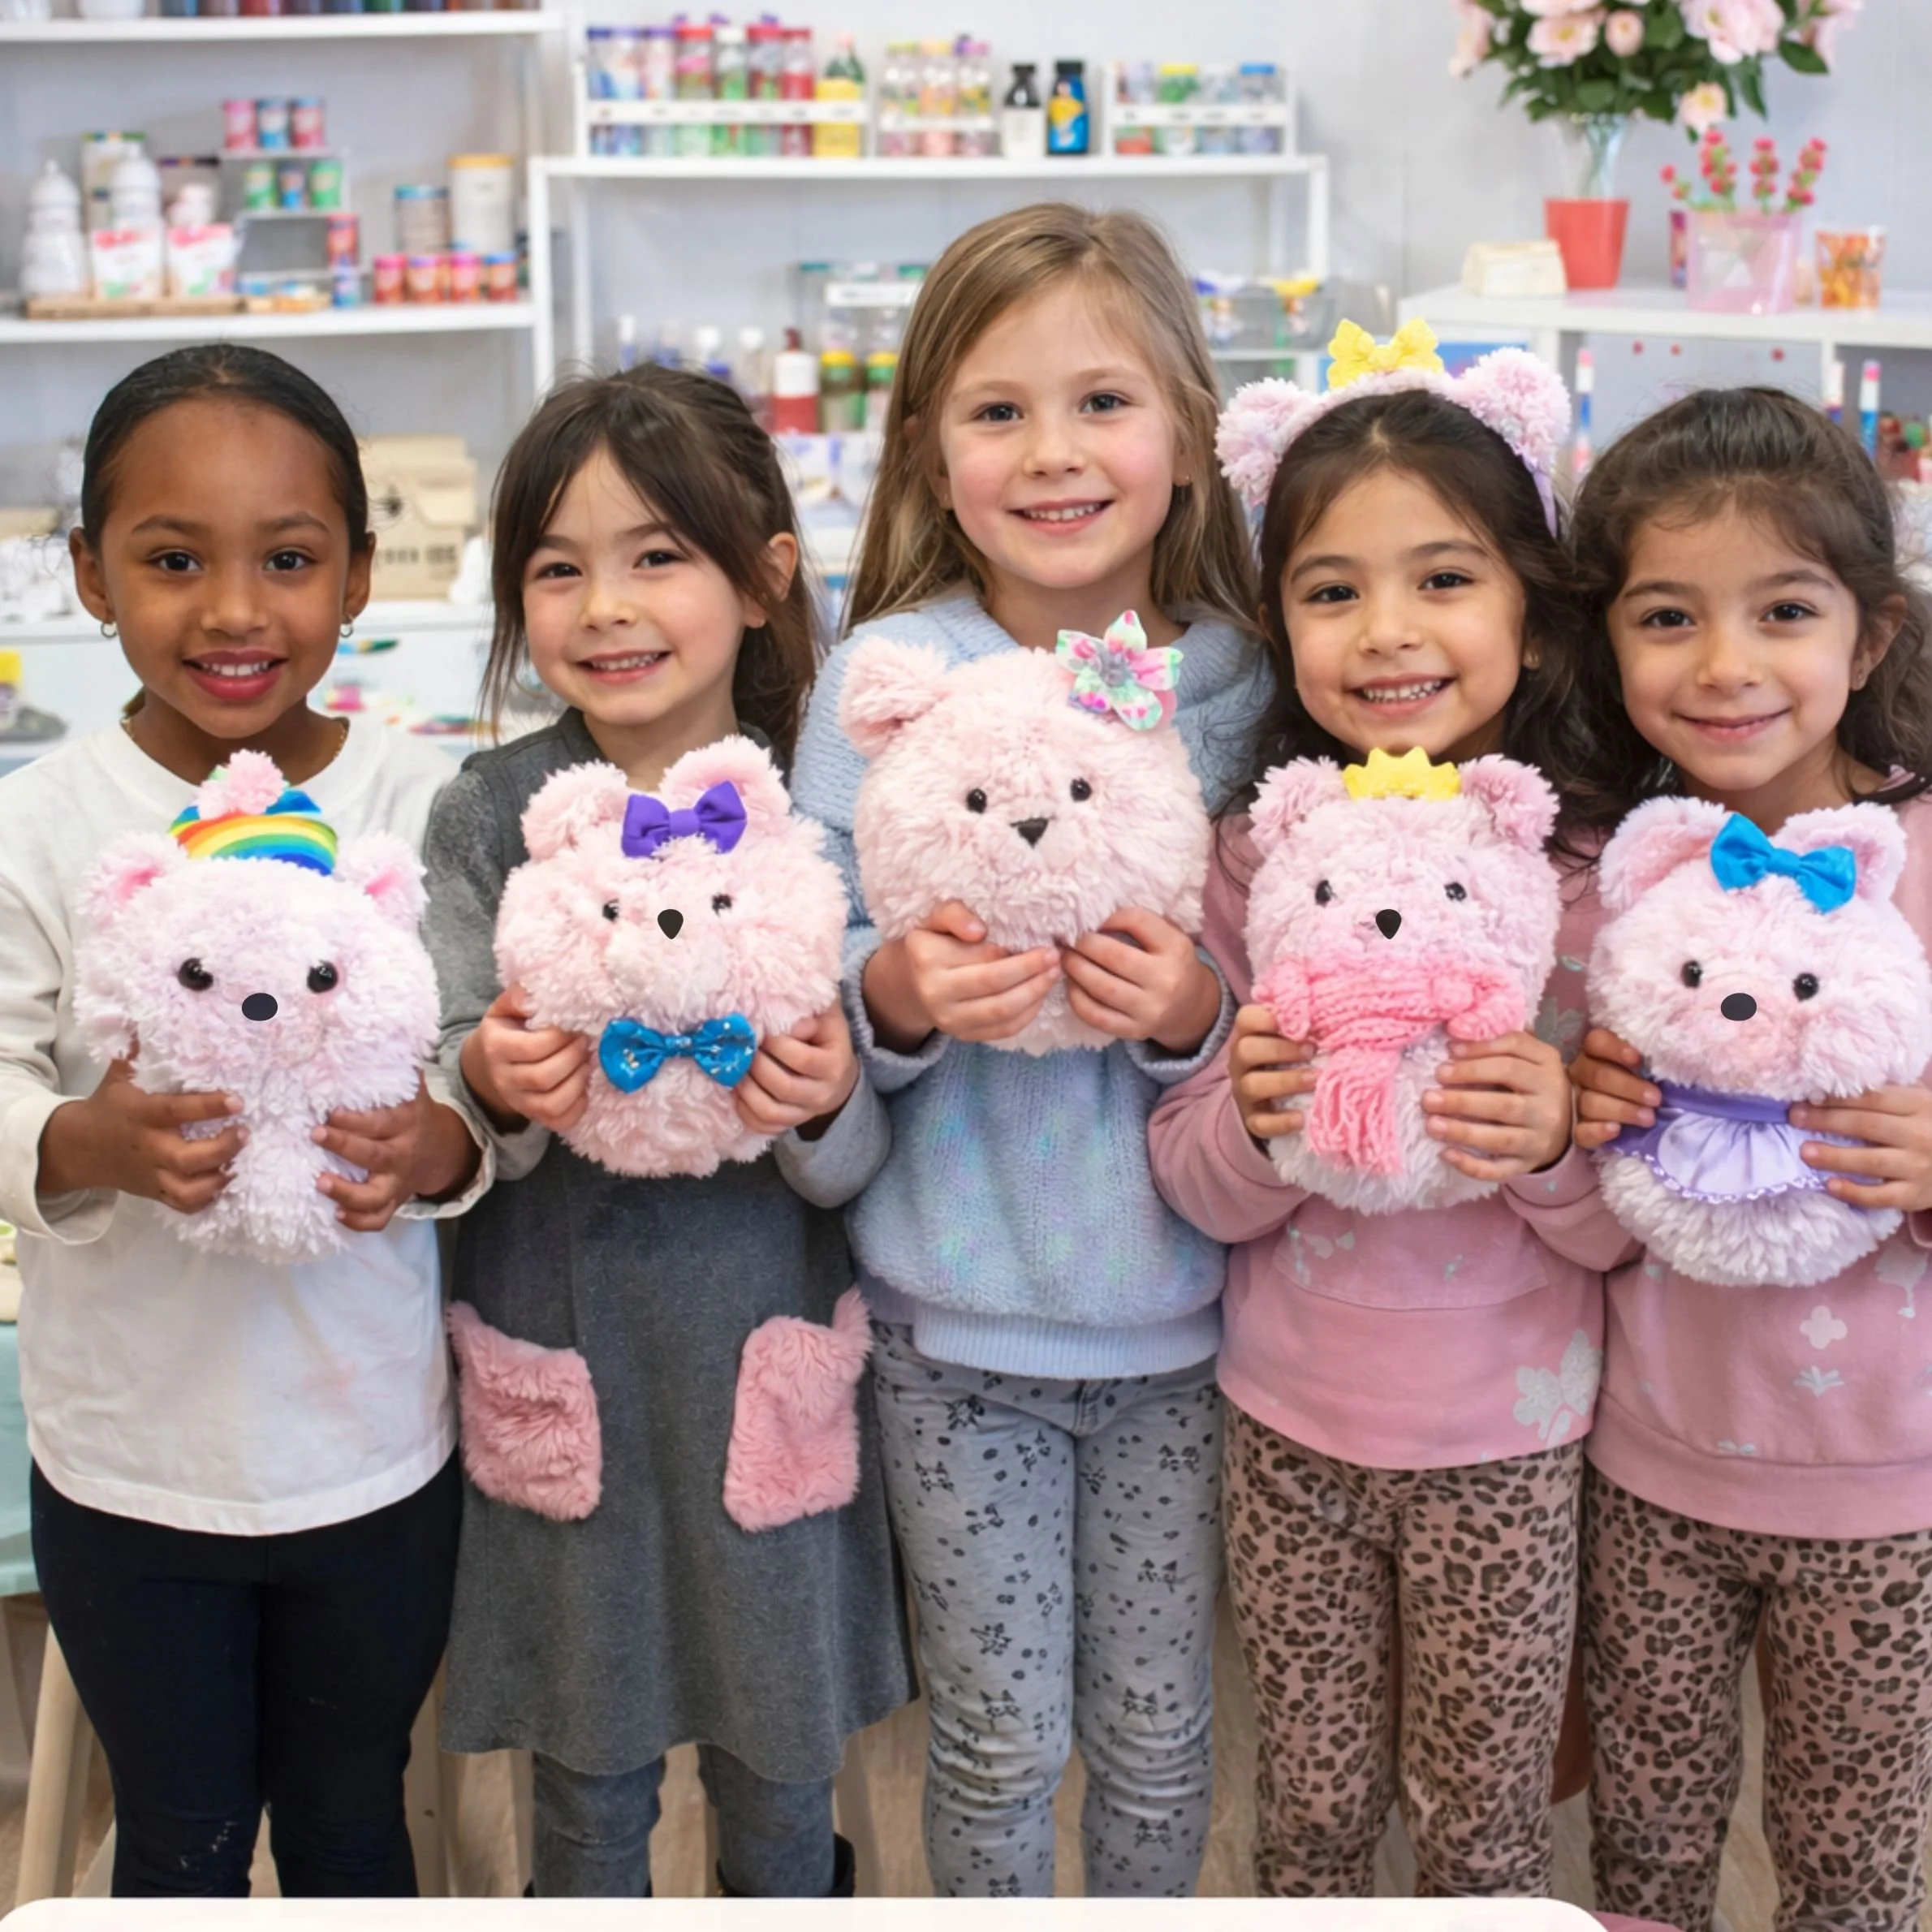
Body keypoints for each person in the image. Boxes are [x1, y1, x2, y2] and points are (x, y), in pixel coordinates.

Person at [791, 201, 1267, 1897]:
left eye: (1100, 402)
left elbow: (1290, 975)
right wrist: (898, 994)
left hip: (1182, 1331)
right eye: (997, 410)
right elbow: (812, 942)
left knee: (1156, 1731)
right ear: (927, 449)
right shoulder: (883, 679)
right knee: (990, 1733)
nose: (1051, 453)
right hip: (947, 1323)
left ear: (1192, 439)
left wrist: (1190, 1010)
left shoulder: (1241, 679)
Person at [425, 364, 913, 1899]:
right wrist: (493, 1081)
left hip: (759, 1349)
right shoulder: (489, 813)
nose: (605, 605)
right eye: (558, 567)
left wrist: (824, 1097)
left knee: (781, 1768)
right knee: (587, 1778)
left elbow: (861, 1139)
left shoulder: (828, 817)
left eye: (657, 555)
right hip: (565, 1341)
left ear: (765, 576)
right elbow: (451, 1078)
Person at [0, 344, 481, 1895]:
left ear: (356, 575)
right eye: (170, 559)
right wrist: (83, 1141)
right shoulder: (42, 822)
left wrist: (448, 1142)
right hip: (128, 1464)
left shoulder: (425, 804)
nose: (231, 610)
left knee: (353, 1826)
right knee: (182, 1839)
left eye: (287, 559)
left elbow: (488, 1065)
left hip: (372, 1456)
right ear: (88, 574)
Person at [1149, 327, 1601, 1895]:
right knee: (1315, 1815)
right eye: (1333, 589)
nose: (1387, 631)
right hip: (1288, 1423)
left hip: (1517, 1434)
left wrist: (1550, 1139)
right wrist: (1259, 1124)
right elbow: (1196, 1183)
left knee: (1487, 1828)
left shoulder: (1594, 879)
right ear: (1279, 628)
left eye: (1445, 579)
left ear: (1537, 623)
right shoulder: (1254, 858)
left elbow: (1632, 1213)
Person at [1537, 386, 1932, 1932]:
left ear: (1873, 636)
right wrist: (1571, 1124)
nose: (1725, 666)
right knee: (1642, 1859)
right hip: (1648, 1466)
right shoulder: (1607, 885)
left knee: (1854, 1873)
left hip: (1892, 1491)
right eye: (1666, 615)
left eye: (1784, 610)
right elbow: (1578, 1216)